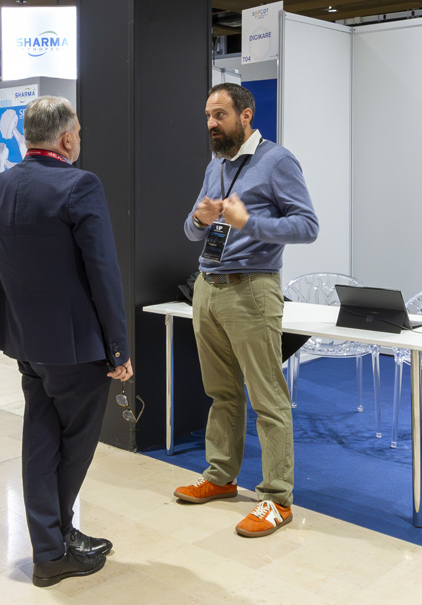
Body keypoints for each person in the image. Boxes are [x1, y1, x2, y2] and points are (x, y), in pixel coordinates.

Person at [0, 96, 133, 587]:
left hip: (27, 341)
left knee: (40, 439)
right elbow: (103, 271)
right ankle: (53, 549)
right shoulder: (80, 184)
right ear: (66, 138)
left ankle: (52, 544)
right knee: (74, 446)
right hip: (78, 346)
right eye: (78, 132)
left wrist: (24, 288)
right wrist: (119, 348)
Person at [174, 83, 318, 538]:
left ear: (246, 115)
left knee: (267, 397)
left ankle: (276, 499)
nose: (211, 123)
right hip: (208, 287)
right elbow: (191, 231)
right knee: (221, 392)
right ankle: (220, 477)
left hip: (252, 288)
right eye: (207, 115)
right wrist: (200, 219)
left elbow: (307, 226)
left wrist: (248, 222)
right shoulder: (214, 165)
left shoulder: (278, 161)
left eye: (219, 114)